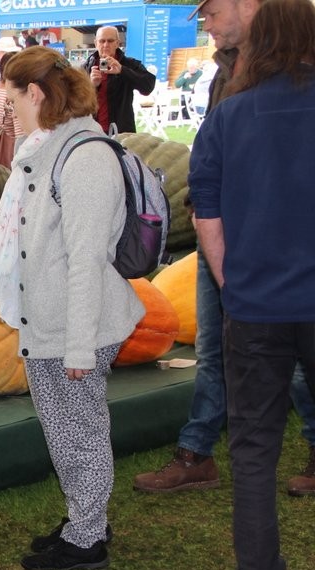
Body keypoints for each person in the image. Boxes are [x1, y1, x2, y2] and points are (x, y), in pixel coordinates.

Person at [132, 0, 315, 495]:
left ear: (250, 7)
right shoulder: (223, 75)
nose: (206, 26)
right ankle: (197, 452)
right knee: (213, 351)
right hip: (223, 238)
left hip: (277, 247)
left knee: (295, 359)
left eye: (212, 14)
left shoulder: (294, 73)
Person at [0, 46, 144, 570]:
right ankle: (84, 518)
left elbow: (87, 260)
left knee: (79, 429)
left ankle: (88, 537)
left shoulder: (86, 158)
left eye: (14, 101)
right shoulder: (43, 147)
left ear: (38, 94)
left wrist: (78, 346)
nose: (11, 113)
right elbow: (16, 223)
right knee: (63, 427)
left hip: (78, 324)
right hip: (47, 317)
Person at [187, 0, 315, 570]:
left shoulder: (228, 116)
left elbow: (204, 208)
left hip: (255, 303)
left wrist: (229, 281)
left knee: (255, 446)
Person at [84, 26, 156, 133]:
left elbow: (148, 87)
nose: (106, 45)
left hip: (122, 131)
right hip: (93, 131)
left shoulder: (129, 64)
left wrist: (122, 70)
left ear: (117, 43)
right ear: (96, 43)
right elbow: (75, 102)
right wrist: (91, 86)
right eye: (102, 41)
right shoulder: (86, 67)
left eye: (110, 41)